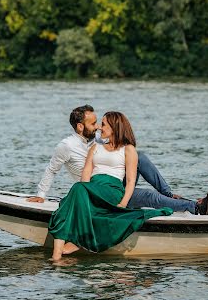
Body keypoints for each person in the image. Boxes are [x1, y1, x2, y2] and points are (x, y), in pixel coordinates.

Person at [27, 104, 208, 216]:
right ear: (79, 127)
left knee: (140, 158)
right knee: (148, 197)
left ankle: (168, 194)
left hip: (115, 181)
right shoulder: (66, 146)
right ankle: (195, 207)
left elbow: (117, 147)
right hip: (98, 190)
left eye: (99, 123)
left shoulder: (98, 140)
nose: (99, 127)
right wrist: (41, 195)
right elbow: (52, 169)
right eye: (94, 124)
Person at [48, 111, 173, 260]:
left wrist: (123, 204)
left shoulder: (128, 149)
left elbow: (131, 181)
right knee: (77, 192)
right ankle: (57, 256)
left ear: (114, 127)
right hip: (92, 188)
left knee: (76, 191)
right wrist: (86, 197)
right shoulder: (95, 147)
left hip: (112, 190)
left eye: (103, 124)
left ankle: (75, 243)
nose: (100, 128)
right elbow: (86, 174)